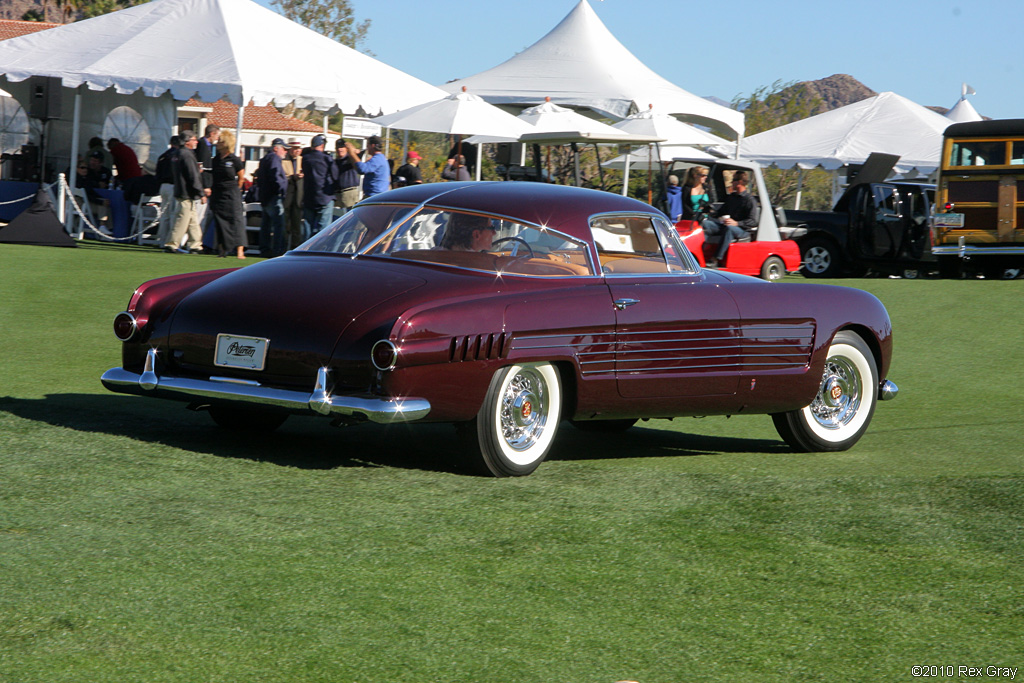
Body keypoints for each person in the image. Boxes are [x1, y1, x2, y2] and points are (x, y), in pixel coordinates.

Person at [703, 172, 760, 268]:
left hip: (743, 230)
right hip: (726, 225)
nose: (731, 183)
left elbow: (753, 220)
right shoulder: (731, 197)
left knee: (729, 229)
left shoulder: (749, 200)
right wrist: (711, 211)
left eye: (733, 181)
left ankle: (716, 259)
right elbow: (720, 212)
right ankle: (700, 253)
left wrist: (737, 223)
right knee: (706, 224)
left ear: (740, 182)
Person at [163, 130, 205, 254]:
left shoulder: (176, 154)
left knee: (192, 220)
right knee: (182, 219)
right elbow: (193, 175)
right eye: (194, 139)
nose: (196, 141)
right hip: (187, 193)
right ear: (187, 142)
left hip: (181, 191)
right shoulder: (187, 155)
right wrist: (200, 192)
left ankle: (196, 245)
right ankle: (172, 244)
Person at [210, 130, 247, 259]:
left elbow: (241, 177)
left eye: (220, 141)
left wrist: (236, 190)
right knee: (220, 221)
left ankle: (240, 251)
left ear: (226, 143)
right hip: (218, 193)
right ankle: (222, 250)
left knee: (236, 220)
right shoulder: (215, 160)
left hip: (232, 193)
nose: (217, 143)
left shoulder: (234, 159)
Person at [257, 138, 289, 257]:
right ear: (276, 148)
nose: (285, 152)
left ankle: (265, 249)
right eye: (284, 149)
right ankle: (277, 250)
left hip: (265, 196)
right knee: (278, 225)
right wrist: (281, 190)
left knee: (266, 225)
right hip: (274, 196)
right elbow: (275, 176)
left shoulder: (265, 159)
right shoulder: (274, 158)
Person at [302, 133, 338, 236]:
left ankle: (305, 250)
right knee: (324, 230)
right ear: (322, 145)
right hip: (325, 197)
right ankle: (321, 251)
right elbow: (335, 176)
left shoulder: (306, 159)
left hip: (309, 197)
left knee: (307, 227)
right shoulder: (327, 159)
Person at [154, 135, 181, 246]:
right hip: (172, 186)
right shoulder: (176, 156)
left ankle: (162, 240)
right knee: (172, 215)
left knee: (164, 215)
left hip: (163, 186)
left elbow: (157, 174)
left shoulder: (162, 156)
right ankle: (169, 241)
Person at [195, 124, 220, 229]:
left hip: (201, 185)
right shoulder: (202, 146)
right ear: (212, 134)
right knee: (199, 216)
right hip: (202, 186)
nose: (217, 139)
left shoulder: (205, 146)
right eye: (217, 136)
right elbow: (203, 168)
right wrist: (206, 186)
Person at [283, 139, 305, 248]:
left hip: (298, 197)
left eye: (298, 149)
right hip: (287, 196)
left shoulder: (302, 160)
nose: (297, 151)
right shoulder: (284, 161)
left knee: (297, 225)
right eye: (295, 149)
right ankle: (283, 246)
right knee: (285, 224)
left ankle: (295, 247)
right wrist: (292, 177)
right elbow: (282, 177)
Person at [334, 138, 360, 214]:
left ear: (346, 148)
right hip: (337, 195)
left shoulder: (351, 159)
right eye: (338, 147)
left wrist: (353, 150)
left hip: (349, 193)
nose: (340, 149)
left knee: (350, 218)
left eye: (342, 147)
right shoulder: (335, 162)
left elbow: (360, 155)